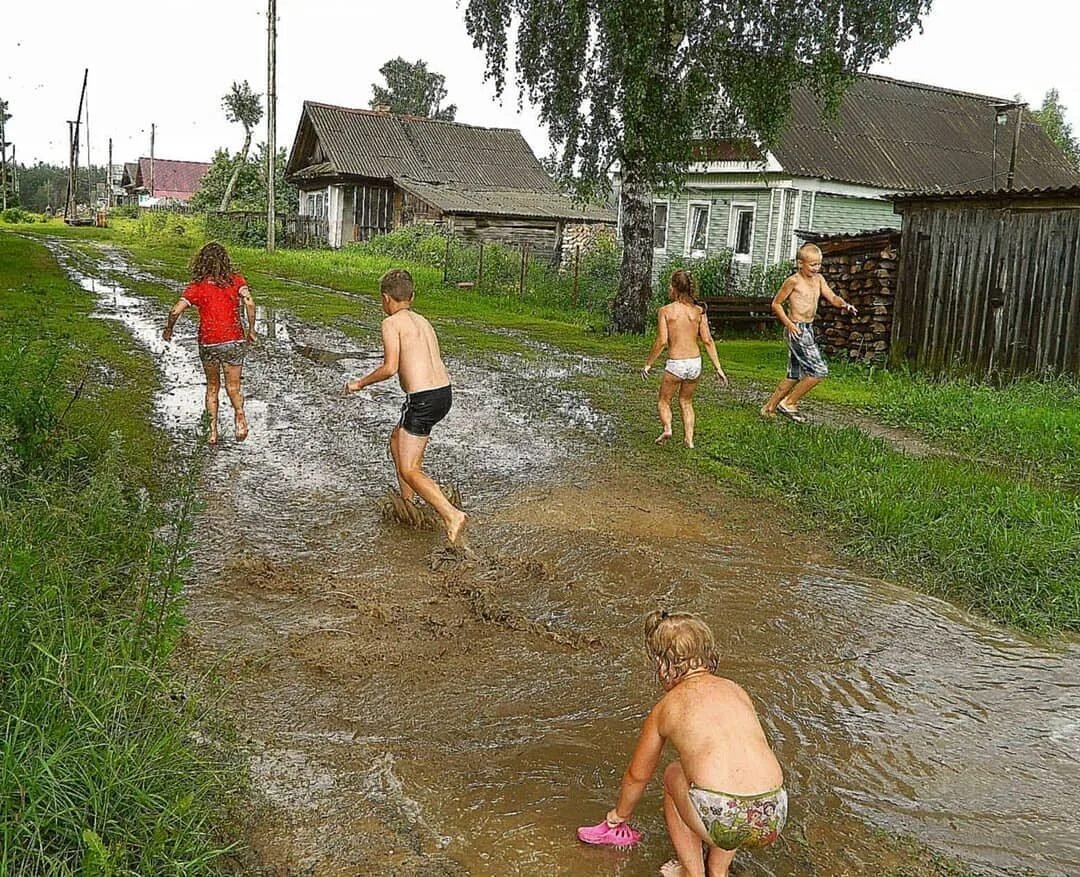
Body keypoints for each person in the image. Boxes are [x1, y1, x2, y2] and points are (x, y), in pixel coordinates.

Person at [598, 610, 787, 877]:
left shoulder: (667, 707)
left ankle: (692, 872)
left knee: (674, 773)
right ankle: (718, 870)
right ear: (708, 654)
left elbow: (637, 775)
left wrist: (620, 815)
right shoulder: (736, 690)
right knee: (734, 775)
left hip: (727, 819)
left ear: (662, 664)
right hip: (773, 814)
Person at [343, 268, 467, 546]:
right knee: (397, 440)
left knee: (410, 468)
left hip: (423, 399)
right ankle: (408, 505)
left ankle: (451, 514)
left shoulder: (391, 323)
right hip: (442, 394)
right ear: (412, 296)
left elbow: (389, 368)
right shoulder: (423, 321)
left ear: (385, 299)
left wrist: (359, 384)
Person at [163, 241, 255, 444]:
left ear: (201, 263)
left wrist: (169, 329)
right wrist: (251, 329)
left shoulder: (196, 287)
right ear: (225, 261)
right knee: (234, 387)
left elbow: (175, 311)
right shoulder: (236, 281)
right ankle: (240, 417)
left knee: (212, 386)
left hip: (209, 342)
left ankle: (212, 432)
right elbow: (249, 301)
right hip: (233, 340)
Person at [760, 242, 857, 423]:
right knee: (819, 371)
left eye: (818, 264)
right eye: (812, 264)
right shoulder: (793, 281)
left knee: (794, 374)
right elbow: (776, 304)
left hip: (808, 328)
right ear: (800, 263)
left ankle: (769, 408)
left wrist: (845, 304)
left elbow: (832, 297)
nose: (816, 268)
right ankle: (789, 403)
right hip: (797, 329)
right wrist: (789, 324)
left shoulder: (819, 280)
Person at [641, 269, 728, 448]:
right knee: (686, 401)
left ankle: (667, 428)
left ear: (674, 288)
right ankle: (689, 440)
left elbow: (662, 341)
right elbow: (708, 341)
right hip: (695, 363)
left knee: (664, 400)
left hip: (676, 364)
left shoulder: (666, 311)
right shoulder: (698, 311)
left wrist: (648, 364)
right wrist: (718, 368)